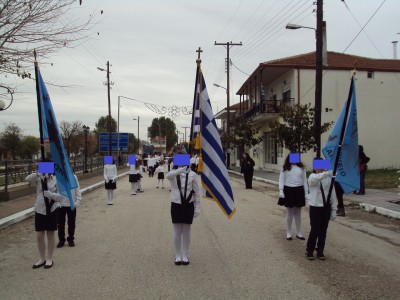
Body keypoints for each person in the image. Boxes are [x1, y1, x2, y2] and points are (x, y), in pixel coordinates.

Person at [25, 170, 63, 269]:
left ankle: (49, 258)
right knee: (39, 235)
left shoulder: (56, 180)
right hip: (40, 209)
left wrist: (51, 195)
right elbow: (27, 180)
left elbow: (61, 196)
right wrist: (37, 173)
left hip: (52, 209)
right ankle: (42, 258)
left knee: (50, 234)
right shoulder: (39, 178)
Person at [166, 164, 200, 265]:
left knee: (186, 230)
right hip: (176, 203)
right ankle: (177, 255)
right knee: (177, 230)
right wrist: (180, 170)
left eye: (183, 159)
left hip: (189, 204)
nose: (181, 162)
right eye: (179, 159)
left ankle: (185, 254)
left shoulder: (192, 174)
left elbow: (196, 192)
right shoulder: (173, 173)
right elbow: (168, 176)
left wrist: (197, 207)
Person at [305, 159, 337, 260]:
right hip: (315, 207)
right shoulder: (312, 176)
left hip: (326, 207)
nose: (321, 167)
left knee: (323, 231)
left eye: (322, 165)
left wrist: (334, 209)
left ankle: (320, 250)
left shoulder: (328, 178)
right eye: (318, 165)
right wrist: (327, 173)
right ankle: (309, 250)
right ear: (315, 167)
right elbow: (315, 180)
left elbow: (332, 193)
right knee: (314, 230)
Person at [279, 154, 308, 241]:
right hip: (289, 190)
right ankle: (288, 232)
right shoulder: (285, 168)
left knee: (298, 212)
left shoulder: (302, 168)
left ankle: (299, 232)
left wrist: (306, 193)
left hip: (299, 190)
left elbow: (305, 181)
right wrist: (281, 190)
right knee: (289, 212)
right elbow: (281, 180)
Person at [57, 173, 81, 248]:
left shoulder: (73, 176)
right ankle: (61, 240)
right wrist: (57, 202)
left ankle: (70, 238)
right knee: (60, 224)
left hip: (71, 203)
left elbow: (77, 188)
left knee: (71, 222)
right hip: (61, 204)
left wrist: (78, 200)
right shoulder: (57, 177)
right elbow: (55, 190)